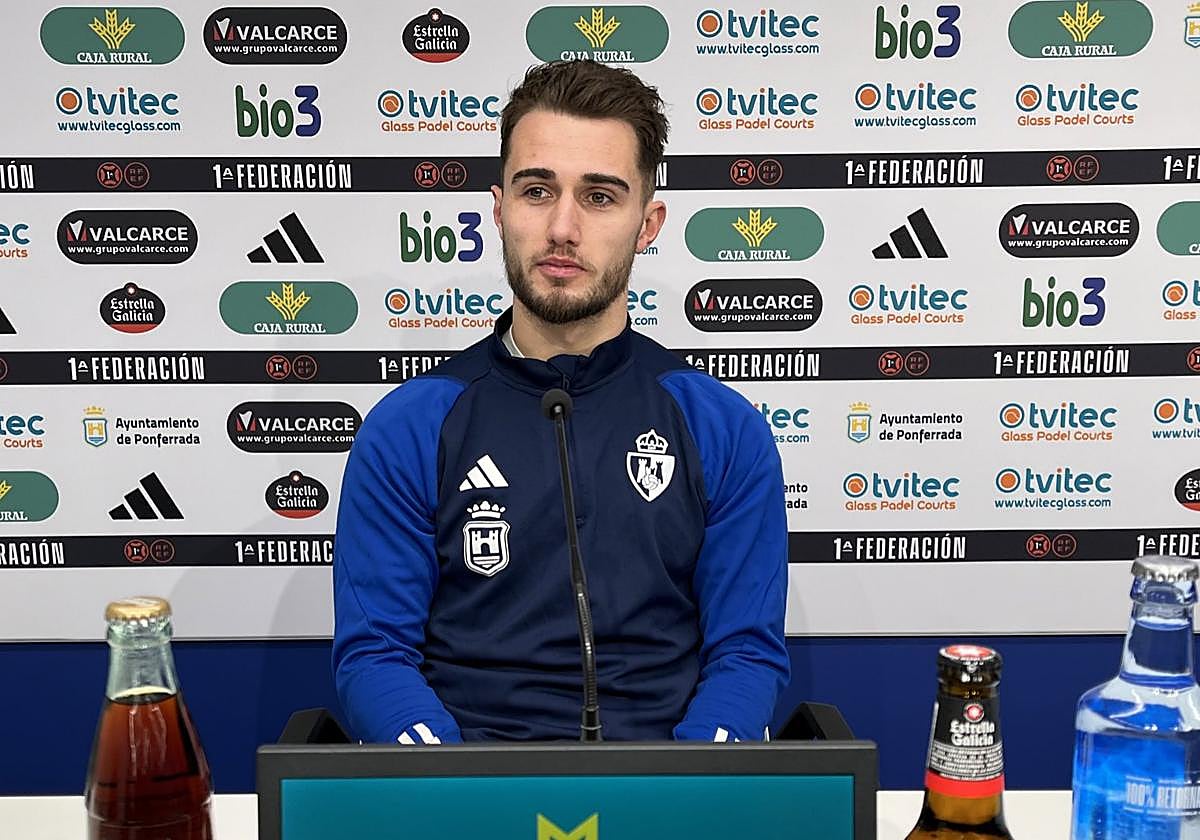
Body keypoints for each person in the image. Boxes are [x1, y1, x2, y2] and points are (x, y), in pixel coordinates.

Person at [332, 59, 789, 744]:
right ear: (499, 208)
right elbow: (375, 659)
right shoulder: (410, 428)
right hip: (470, 794)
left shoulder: (722, 428)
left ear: (647, 222)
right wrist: (458, 795)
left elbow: (746, 657)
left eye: (600, 197)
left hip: (663, 789)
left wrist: (692, 793)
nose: (563, 228)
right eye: (538, 190)